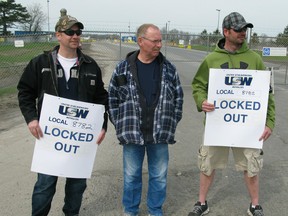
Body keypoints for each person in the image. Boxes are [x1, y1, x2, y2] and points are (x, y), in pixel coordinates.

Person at [17, 9, 108, 216]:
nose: (75, 36)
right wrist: (31, 119)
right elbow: (25, 92)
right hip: (50, 137)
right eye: (70, 32)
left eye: (78, 32)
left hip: (79, 139)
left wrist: (102, 125)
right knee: (45, 185)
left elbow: (101, 98)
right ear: (58, 35)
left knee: (77, 186)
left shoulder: (90, 65)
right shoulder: (41, 63)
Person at [188, 12, 275, 216]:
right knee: (208, 163)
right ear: (226, 31)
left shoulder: (255, 59)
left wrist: (270, 122)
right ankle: (202, 203)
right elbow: (198, 85)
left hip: (247, 126)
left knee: (251, 165)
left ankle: (255, 205)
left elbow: (267, 94)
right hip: (217, 124)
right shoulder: (211, 59)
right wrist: (202, 101)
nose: (243, 33)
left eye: (245, 29)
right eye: (238, 29)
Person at [108, 24, 184, 216]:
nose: (159, 44)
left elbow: (178, 98)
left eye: (160, 40)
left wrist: (171, 123)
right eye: (155, 41)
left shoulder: (168, 69)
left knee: (159, 177)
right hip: (132, 134)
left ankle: (155, 210)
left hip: (159, 134)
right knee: (131, 176)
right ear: (141, 41)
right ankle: (131, 210)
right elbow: (112, 99)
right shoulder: (122, 69)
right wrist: (121, 125)